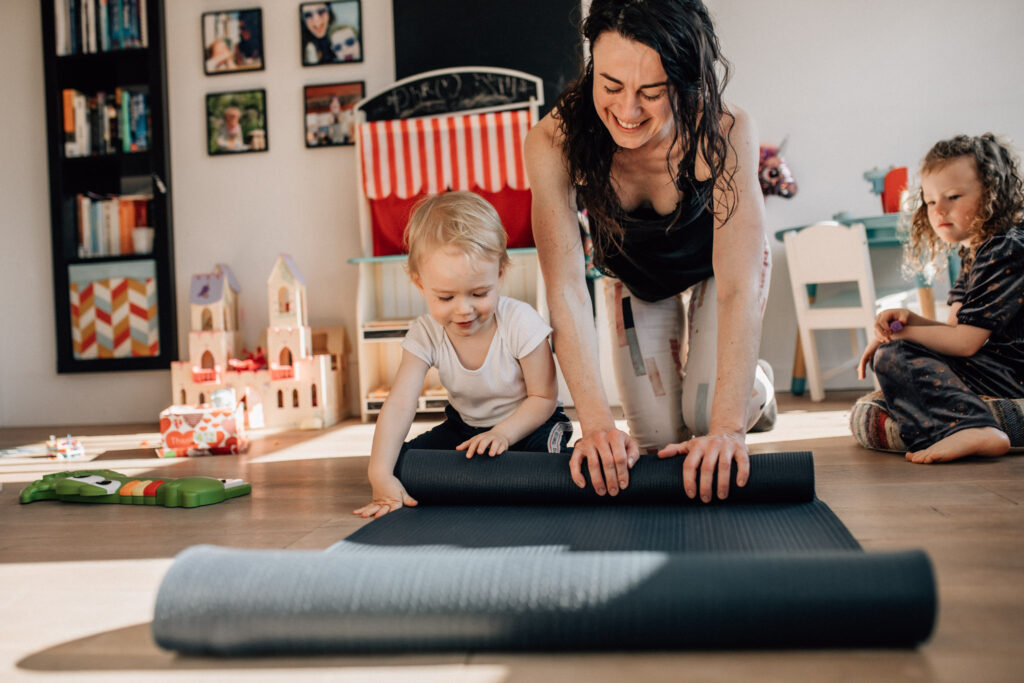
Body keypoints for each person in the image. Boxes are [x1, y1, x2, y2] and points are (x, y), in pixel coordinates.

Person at [525, 0, 775, 504]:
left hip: (717, 276)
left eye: (652, 92)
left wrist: (729, 429)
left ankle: (757, 388)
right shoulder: (555, 139)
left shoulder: (723, 131)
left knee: (707, 420)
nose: (628, 110)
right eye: (612, 86)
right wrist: (594, 425)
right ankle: (731, 383)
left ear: (683, 79)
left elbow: (738, 286)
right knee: (661, 444)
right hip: (634, 279)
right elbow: (567, 289)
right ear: (593, 64)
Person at [353, 192, 573, 518]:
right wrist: (380, 474)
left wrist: (502, 434)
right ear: (419, 284)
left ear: (499, 273)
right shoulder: (425, 333)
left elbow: (543, 397)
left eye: (479, 293)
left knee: (551, 470)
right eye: (445, 297)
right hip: (465, 430)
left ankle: (495, 477)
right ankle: (492, 480)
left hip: (529, 427)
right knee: (402, 462)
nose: (464, 309)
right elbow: (399, 403)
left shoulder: (520, 321)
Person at [858, 134, 1023, 464]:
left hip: (1014, 371)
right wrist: (909, 320)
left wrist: (898, 338)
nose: (939, 210)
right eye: (931, 201)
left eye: (952, 196)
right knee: (894, 358)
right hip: (997, 367)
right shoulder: (976, 251)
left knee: (895, 357)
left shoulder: (1006, 249)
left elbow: (964, 343)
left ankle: (973, 427)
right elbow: (953, 330)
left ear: (993, 194)